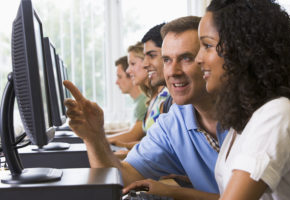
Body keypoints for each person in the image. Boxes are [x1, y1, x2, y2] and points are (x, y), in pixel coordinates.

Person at [126, 0, 290, 199]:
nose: (199, 59)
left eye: (207, 46)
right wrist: (172, 192)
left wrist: (172, 193)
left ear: (241, 50)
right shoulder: (242, 122)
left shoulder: (276, 115)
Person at [63, 16, 227, 194]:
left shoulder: (249, 114)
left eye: (186, 58)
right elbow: (122, 178)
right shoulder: (172, 123)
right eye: (166, 60)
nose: (172, 71)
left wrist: (175, 193)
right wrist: (94, 139)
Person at [105, 56, 148, 135]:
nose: (116, 82)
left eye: (120, 77)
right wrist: (104, 134)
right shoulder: (138, 101)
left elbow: (133, 135)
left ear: (131, 76)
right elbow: (131, 129)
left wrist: (99, 139)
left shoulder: (143, 102)